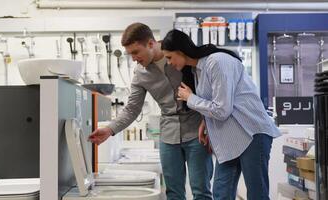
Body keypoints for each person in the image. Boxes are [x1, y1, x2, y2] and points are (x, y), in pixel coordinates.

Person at [89, 23, 213, 200]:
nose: (133, 59)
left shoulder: (179, 53)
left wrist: (207, 121)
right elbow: (132, 109)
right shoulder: (140, 74)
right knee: (174, 193)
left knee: (201, 190)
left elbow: (207, 89)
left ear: (150, 43)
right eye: (130, 54)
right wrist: (109, 130)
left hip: (196, 131)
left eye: (135, 52)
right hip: (168, 135)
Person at [161, 29, 281, 200]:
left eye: (169, 57)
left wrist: (190, 98)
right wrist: (205, 122)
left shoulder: (216, 62)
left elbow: (222, 110)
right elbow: (213, 104)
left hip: (252, 132)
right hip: (230, 139)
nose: (169, 63)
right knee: (221, 193)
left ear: (180, 51)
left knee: (257, 194)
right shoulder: (196, 71)